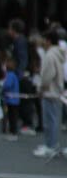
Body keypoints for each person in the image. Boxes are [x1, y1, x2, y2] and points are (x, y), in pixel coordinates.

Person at [33, 29, 66, 158]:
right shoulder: (58, 53)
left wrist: (41, 88)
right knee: (53, 119)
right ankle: (51, 144)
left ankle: (50, 145)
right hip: (56, 90)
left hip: (49, 91)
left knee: (49, 120)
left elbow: (47, 75)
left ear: (48, 41)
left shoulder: (49, 55)